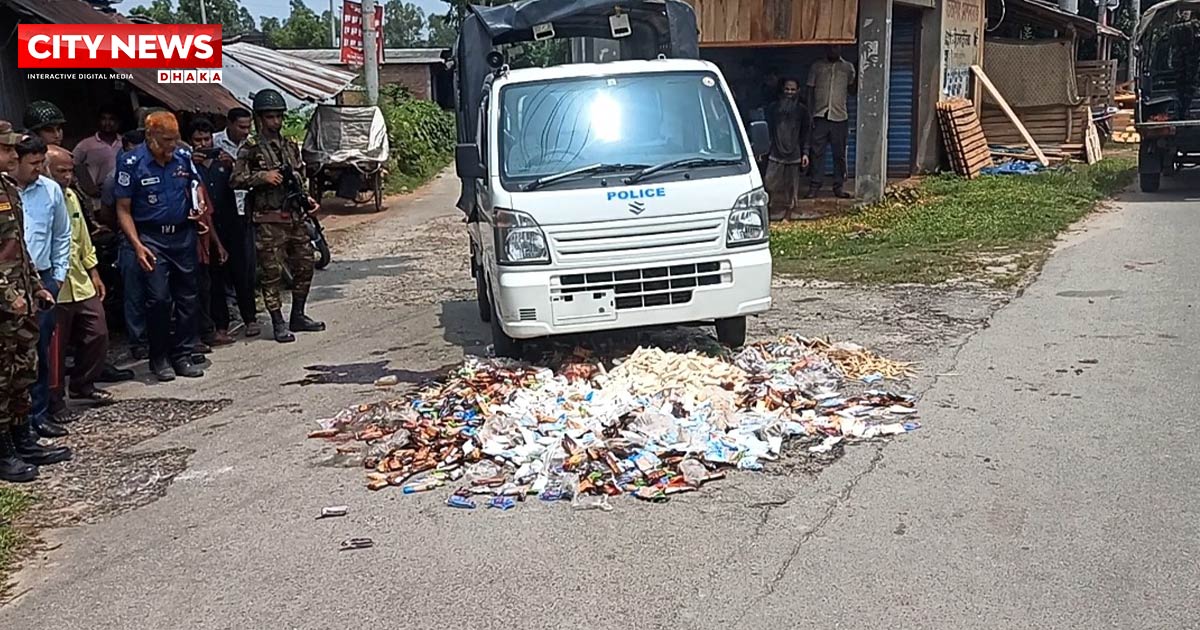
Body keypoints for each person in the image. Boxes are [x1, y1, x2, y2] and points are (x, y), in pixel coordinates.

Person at [0, 120, 71, 483]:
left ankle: (23, 437)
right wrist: (8, 293)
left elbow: (20, 250)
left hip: (25, 296)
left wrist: (36, 286)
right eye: (8, 149)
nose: (14, 154)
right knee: (2, 376)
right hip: (4, 302)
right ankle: (4, 451)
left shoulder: (7, 189)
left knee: (23, 372)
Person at [114, 112, 206, 382]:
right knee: (158, 299)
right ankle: (159, 358)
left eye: (175, 139)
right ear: (150, 136)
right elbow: (122, 209)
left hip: (183, 235)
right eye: (166, 140)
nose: (171, 145)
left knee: (189, 297)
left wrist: (198, 205)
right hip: (151, 239)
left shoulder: (183, 157)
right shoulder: (131, 163)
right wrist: (137, 245)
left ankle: (183, 355)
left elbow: (195, 184)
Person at [232, 89, 325, 344]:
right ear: (260, 118)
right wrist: (262, 177)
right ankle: (278, 322)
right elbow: (235, 179)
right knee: (271, 273)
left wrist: (307, 199)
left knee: (305, 266)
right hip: (268, 220)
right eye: (270, 117)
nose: (276, 122)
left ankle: (298, 315)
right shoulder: (250, 148)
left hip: (294, 218)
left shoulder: (289, 145)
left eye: (279, 117)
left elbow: (297, 178)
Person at [46, 146, 116, 408]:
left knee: (97, 331)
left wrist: (94, 271)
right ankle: (54, 399)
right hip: (56, 283)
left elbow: (83, 239)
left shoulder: (72, 196)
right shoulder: (37, 199)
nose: (66, 176)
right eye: (60, 171)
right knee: (56, 345)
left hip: (80, 278)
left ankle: (83, 384)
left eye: (69, 171)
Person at [13, 136, 72, 439]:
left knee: (41, 350)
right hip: (10, 283)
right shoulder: (6, 192)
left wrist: (58, 276)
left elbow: (62, 235)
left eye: (41, 162)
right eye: (33, 163)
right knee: (13, 356)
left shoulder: (50, 191)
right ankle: (17, 425)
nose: (39, 169)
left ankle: (39, 415)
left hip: (44, 280)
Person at [212, 107, 259, 338]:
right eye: (241, 126)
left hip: (245, 212)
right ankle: (222, 323)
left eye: (248, 126)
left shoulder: (252, 147)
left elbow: (257, 176)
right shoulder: (212, 143)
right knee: (218, 272)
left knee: (246, 269)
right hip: (218, 214)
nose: (246, 131)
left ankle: (250, 318)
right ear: (229, 124)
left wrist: (236, 167)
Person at [103, 129, 150, 360]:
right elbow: (109, 211)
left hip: (154, 238)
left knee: (159, 292)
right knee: (134, 293)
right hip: (129, 239)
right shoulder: (115, 176)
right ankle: (138, 341)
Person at [187, 118, 233, 348]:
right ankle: (195, 336)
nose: (203, 144)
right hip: (185, 241)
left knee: (211, 285)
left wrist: (218, 244)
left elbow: (208, 213)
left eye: (207, 139)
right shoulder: (184, 169)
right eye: (198, 140)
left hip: (210, 237)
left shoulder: (221, 164)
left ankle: (215, 328)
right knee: (190, 290)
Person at [807, 45, 856, 199]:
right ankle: (815, 186)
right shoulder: (817, 66)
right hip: (820, 115)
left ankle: (838, 186)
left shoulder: (848, 67)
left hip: (839, 117)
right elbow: (809, 91)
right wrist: (810, 114)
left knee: (839, 154)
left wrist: (859, 71)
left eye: (837, 48)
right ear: (826, 49)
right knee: (816, 153)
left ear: (841, 49)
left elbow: (853, 91)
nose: (834, 50)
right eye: (831, 47)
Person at [764, 79, 812, 222]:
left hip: (794, 153)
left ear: (797, 91)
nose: (789, 92)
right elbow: (768, 129)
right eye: (787, 89)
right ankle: (768, 212)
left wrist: (806, 153)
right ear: (782, 90)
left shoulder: (802, 110)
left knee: (791, 187)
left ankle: (788, 214)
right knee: (769, 183)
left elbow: (806, 133)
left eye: (792, 90)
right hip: (775, 152)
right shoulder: (773, 108)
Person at [73, 106, 123, 212]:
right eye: (104, 119)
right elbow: (72, 164)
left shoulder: (124, 143)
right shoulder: (85, 145)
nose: (107, 123)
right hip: (97, 200)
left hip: (122, 195)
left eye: (111, 119)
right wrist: (88, 187)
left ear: (118, 122)